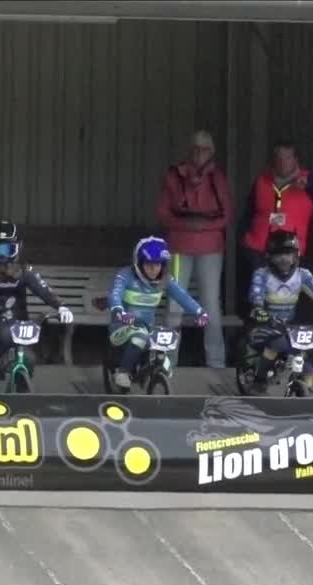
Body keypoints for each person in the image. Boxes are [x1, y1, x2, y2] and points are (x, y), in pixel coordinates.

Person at [155, 130, 232, 369]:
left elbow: (227, 215)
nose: (199, 153)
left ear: (212, 153)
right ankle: (167, 361)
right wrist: (190, 226)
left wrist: (201, 227)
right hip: (179, 247)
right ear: (189, 151)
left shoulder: (217, 178)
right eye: (195, 148)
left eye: (204, 149)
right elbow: (162, 213)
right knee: (174, 305)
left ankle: (216, 363)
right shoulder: (174, 176)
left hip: (210, 249)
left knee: (210, 305)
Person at [0, 220, 74, 388]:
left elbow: (43, 289)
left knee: (29, 359)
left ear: (17, 247)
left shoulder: (24, 269)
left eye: (7, 249)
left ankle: (20, 381)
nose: (2, 256)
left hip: (17, 322)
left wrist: (61, 306)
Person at [238, 139, 313, 314]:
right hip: (258, 251)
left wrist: (309, 184)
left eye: (287, 158)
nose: (282, 162)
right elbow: (248, 211)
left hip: (289, 254)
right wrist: (244, 237)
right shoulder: (262, 180)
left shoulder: (307, 181)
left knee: (285, 299)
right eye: (279, 158)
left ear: (296, 160)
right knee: (255, 300)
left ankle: (283, 329)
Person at [244, 230, 313, 393]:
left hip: (288, 326)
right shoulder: (262, 274)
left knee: (307, 364)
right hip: (263, 323)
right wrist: (258, 308)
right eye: (278, 255)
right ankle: (259, 381)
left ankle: (306, 393)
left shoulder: (303, 275)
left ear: (296, 256)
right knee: (274, 345)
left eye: (288, 254)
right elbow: (256, 293)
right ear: (269, 257)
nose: (284, 259)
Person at [107, 236, 210, 391]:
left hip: (147, 327)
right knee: (139, 338)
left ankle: (151, 372)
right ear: (139, 263)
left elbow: (183, 297)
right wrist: (118, 310)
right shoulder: (125, 275)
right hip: (121, 326)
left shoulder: (165, 280)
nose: (154, 269)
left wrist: (200, 312)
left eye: (158, 264)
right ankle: (123, 372)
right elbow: (115, 294)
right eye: (149, 264)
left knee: (162, 341)